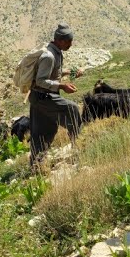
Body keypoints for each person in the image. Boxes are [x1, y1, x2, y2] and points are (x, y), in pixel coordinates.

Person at [29, 23, 83, 165]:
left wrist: (71, 73)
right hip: (43, 97)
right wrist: (62, 86)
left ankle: (36, 164)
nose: (71, 44)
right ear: (60, 40)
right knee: (72, 110)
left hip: (39, 97)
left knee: (45, 131)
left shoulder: (55, 52)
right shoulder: (49, 56)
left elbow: (54, 73)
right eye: (69, 41)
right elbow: (41, 80)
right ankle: (79, 146)